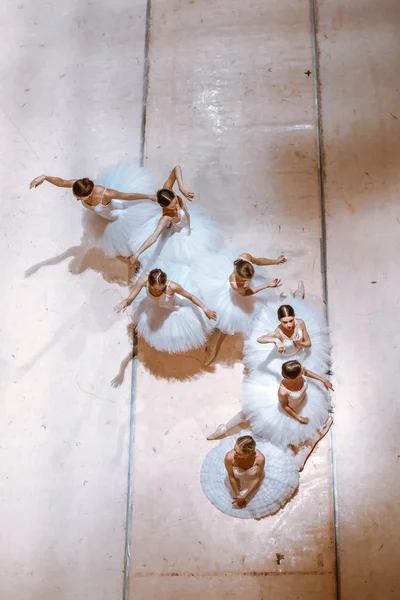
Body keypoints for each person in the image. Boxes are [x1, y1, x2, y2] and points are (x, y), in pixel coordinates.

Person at [207, 360, 333, 470]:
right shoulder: (283, 391)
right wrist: (298, 417)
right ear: (293, 377)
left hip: (303, 403)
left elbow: (307, 372)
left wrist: (324, 380)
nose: (303, 371)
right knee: (249, 414)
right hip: (288, 410)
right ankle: (224, 428)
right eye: (301, 371)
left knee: (304, 432)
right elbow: (285, 407)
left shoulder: (301, 372)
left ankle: (309, 445)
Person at [29, 164, 158, 260]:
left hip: (119, 216)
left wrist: (149, 197)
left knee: (132, 238)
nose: (77, 199)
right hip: (105, 216)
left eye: (80, 198)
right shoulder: (79, 185)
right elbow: (62, 182)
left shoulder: (105, 194)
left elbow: (128, 196)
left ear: (90, 193)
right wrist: (44, 177)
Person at [126, 166, 223, 273]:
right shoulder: (166, 217)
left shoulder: (167, 189)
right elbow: (154, 237)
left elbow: (176, 168)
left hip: (185, 225)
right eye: (172, 206)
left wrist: (181, 188)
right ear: (164, 207)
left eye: (175, 201)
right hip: (182, 234)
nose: (176, 206)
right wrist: (137, 253)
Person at [198, 252, 286, 366]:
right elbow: (247, 293)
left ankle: (246, 349)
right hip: (235, 299)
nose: (247, 281)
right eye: (244, 279)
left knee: (255, 319)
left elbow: (258, 261)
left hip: (244, 292)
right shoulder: (234, 283)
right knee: (221, 326)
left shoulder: (245, 257)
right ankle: (211, 350)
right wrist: (267, 285)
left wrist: (276, 261)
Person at [115, 265, 216, 353]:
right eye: (155, 289)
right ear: (149, 283)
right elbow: (130, 298)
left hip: (173, 307)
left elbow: (191, 297)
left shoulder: (173, 287)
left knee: (174, 334)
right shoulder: (143, 280)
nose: (159, 291)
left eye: (162, 288)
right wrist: (125, 302)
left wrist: (205, 309)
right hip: (155, 305)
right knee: (148, 322)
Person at [200, 432, 299, 519]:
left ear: (248, 453)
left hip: (252, 481)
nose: (234, 453)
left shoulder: (259, 459)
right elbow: (231, 476)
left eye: (238, 452)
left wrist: (245, 496)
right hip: (237, 481)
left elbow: (257, 478)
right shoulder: (229, 457)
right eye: (234, 448)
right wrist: (238, 495)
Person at [243, 281, 331, 375]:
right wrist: (276, 341)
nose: (289, 325)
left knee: (299, 305)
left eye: (291, 320)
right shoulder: (278, 333)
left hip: (301, 353)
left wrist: (299, 343)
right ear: (279, 320)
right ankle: (292, 297)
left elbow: (309, 344)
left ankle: (298, 295)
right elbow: (260, 339)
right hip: (286, 359)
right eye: (285, 322)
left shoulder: (300, 323)